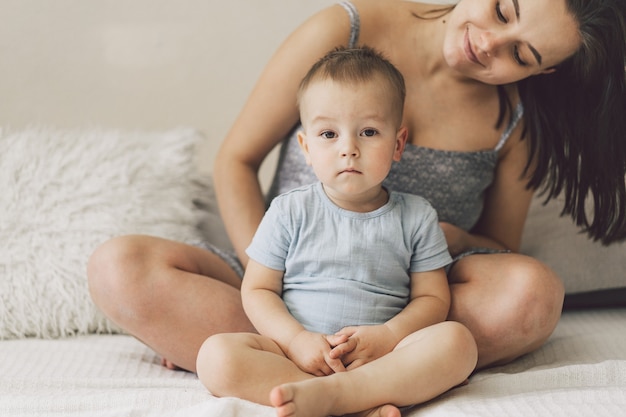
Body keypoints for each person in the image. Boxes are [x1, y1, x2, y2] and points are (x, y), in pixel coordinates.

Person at [87, 0, 626, 376]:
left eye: (523, 56)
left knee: (533, 293)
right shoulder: (343, 31)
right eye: (502, 10)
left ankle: (314, 364)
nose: (488, 43)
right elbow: (236, 160)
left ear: (545, 72)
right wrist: (268, 283)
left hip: (406, 304)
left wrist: (441, 239)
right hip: (283, 281)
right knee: (117, 266)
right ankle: (312, 355)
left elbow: (496, 246)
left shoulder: (516, 119)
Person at [195, 46, 478, 417]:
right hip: (299, 357)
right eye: (329, 133)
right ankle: (349, 402)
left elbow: (433, 300)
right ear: (306, 148)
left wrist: (390, 336)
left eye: (369, 132)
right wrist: (295, 340)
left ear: (398, 144)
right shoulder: (289, 210)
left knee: (457, 342)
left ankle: (342, 396)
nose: (349, 149)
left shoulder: (417, 217)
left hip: (379, 360)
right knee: (215, 357)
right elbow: (259, 288)